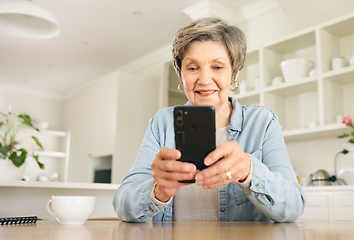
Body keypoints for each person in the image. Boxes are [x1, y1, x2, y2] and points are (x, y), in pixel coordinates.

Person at [113, 17, 305, 222]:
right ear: (181, 74)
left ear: (234, 74)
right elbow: (123, 205)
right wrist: (159, 190)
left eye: (217, 67)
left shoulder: (262, 122)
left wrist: (249, 171)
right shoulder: (162, 123)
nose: (204, 80)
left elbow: (293, 206)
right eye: (193, 68)